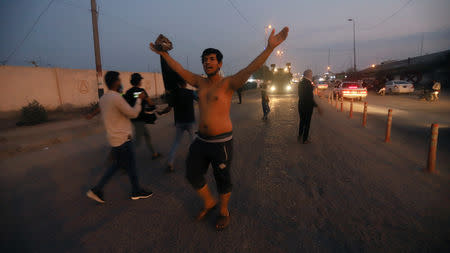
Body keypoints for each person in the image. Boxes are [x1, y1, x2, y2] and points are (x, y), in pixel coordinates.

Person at [149, 27, 289, 230]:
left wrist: (269, 48)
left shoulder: (228, 83)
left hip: (221, 142)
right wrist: (163, 54)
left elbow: (250, 68)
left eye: (212, 59)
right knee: (191, 172)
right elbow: (179, 69)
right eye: (205, 59)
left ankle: (223, 210)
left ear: (220, 63)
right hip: (201, 140)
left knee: (222, 178)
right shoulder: (199, 82)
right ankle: (208, 201)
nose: (208, 62)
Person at [86, 71, 152, 203]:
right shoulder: (119, 96)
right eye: (119, 80)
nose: (121, 82)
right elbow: (133, 113)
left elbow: (103, 108)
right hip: (123, 138)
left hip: (114, 138)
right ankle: (136, 191)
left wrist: (91, 114)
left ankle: (97, 190)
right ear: (116, 82)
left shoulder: (105, 98)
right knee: (130, 165)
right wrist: (140, 99)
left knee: (117, 165)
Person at [158, 81, 198, 172]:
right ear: (186, 84)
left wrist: (161, 112)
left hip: (179, 122)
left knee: (176, 143)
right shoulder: (191, 92)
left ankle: (170, 163)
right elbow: (200, 99)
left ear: (179, 84)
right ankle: (196, 164)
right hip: (190, 121)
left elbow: (168, 108)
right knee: (193, 142)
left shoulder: (174, 94)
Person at [124, 73, 161, 160]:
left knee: (147, 135)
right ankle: (124, 160)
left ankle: (154, 153)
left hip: (132, 117)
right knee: (137, 142)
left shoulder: (128, 92)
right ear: (139, 81)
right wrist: (155, 106)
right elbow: (150, 102)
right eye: (140, 80)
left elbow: (127, 100)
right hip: (139, 118)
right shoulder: (141, 91)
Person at [298, 69, 320, 144]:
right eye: (311, 74)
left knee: (302, 121)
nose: (312, 75)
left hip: (301, 105)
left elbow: (302, 94)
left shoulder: (301, 83)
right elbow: (309, 98)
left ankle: (300, 135)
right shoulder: (308, 84)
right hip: (307, 106)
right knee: (307, 123)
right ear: (308, 75)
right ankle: (305, 139)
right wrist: (317, 106)